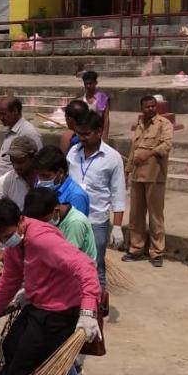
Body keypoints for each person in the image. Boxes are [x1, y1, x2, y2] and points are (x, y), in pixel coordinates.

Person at [0, 198, 102, 375]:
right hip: (39, 304)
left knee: (26, 361)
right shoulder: (15, 245)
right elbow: (9, 280)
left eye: (8, 235)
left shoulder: (42, 240)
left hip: (60, 310)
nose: (6, 241)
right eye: (0, 238)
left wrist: (88, 311)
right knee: (11, 345)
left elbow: (86, 265)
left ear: (19, 221)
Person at [21, 187, 96, 375]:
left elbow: (80, 267)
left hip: (72, 298)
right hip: (66, 295)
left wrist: (88, 311)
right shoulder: (47, 229)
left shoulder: (69, 226)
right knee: (59, 352)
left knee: (54, 350)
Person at [67, 110, 126, 314]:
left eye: (86, 135)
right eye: (79, 134)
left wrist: (117, 226)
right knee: (73, 264)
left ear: (99, 131)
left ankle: (97, 306)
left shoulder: (113, 158)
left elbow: (118, 193)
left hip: (97, 220)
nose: (81, 139)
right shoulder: (72, 153)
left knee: (96, 264)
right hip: (73, 218)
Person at [122, 96, 173, 268]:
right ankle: (136, 249)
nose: (150, 109)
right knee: (135, 214)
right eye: (147, 107)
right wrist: (127, 170)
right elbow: (133, 150)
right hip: (137, 176)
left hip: (155, 175)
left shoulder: (163, 124)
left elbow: (166, 145)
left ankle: (157, 252)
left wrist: (149, 154)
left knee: (155, 215)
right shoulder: (139, 125)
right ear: (142, 108)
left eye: (153, 106)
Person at [35, 146, 90, 217]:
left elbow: (75, 225)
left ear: (60, 173)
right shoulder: (41, 187)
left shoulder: (76, 196)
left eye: (46, 176)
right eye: (39, 176)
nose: (41, 180)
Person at [0, 97, 43, 178]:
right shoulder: (11, 130)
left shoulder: (29, 132)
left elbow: (38, 162)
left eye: (3, 114)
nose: (0, 118)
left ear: (15, 111)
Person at [80, 71, 111, 141]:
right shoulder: (82, 99)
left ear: (95, 83)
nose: (88, 86)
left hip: (98, 131)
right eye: (86, 84)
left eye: (90, 83)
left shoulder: (102, 98)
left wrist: (105, 135)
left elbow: (106, 117)